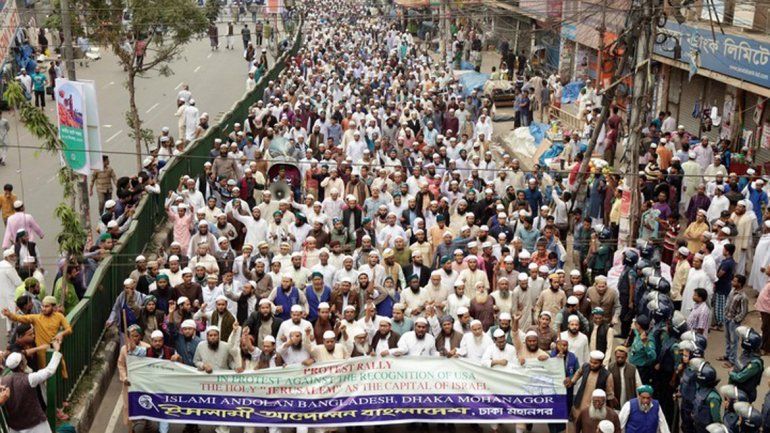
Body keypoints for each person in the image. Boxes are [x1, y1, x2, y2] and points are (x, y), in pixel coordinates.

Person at [0, 338, 62, 433]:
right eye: (24, 360)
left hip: (15, 428)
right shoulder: (29, 379)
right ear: (21, 365)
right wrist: (56, 350)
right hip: (36, 426)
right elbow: (49, 370)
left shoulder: (3, 381)